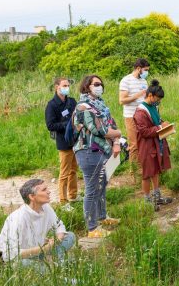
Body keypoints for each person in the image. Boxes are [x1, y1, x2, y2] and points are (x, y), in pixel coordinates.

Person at [74, 75, 121, 238]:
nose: (100, 86)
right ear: (87, 86)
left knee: (101, 186)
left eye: (101, 84)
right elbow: (98, 130)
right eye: (96, 84)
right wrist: (119, 134)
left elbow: (111, 124)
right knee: (92, 190)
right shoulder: (83, 106)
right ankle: (92, 228)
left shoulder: (100, 104)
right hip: (88, 151)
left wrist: (116, 141)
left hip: (104, 150)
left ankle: (102, 217)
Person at [0, 179, 76, 269]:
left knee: (70, 236)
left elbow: (59, 227)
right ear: (32, 197)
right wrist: (44, 248)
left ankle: (53, 263)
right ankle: (53, 266)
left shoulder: (46, 207)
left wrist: (56, 240)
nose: (49, 192)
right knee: (20, 264)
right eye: (44, 190)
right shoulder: (18, 218)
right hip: (15, 258)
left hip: (39, 249)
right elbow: (12, 253)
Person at [133, 79, 173, 209]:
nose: (158, 101)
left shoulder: (153, 107)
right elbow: (144, 131)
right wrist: (160, 126)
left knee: (156, 170)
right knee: (147, 172)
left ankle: (157, 196)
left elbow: (156, 120)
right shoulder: (140, 112)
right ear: (150, 95)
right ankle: (147, 200)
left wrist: (164, 123)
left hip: (157, 143)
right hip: (147, 146)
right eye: (157, 98)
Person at [45, 77, 80, 207]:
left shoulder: (72, 101)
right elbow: (50, 125)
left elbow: (78, 116)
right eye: (64, 85)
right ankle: (63, 201)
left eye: (68, 85)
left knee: (73, 170)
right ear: (57, 87)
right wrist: (67, 124)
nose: (67, 87)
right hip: (63, 142)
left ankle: (73, 195)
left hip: (75, 140)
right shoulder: (52, 105)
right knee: (64, 172)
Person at [119, 58, 150, 164]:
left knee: (144, 143)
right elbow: (122, 100)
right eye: (145, 70)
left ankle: (144, 169)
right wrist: (138, 94)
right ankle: (134, 173)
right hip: (131, 116)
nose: (147, 72)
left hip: (143, 116)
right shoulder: (126, 80)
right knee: (134, 145)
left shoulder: (144, 81)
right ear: (138, 68)